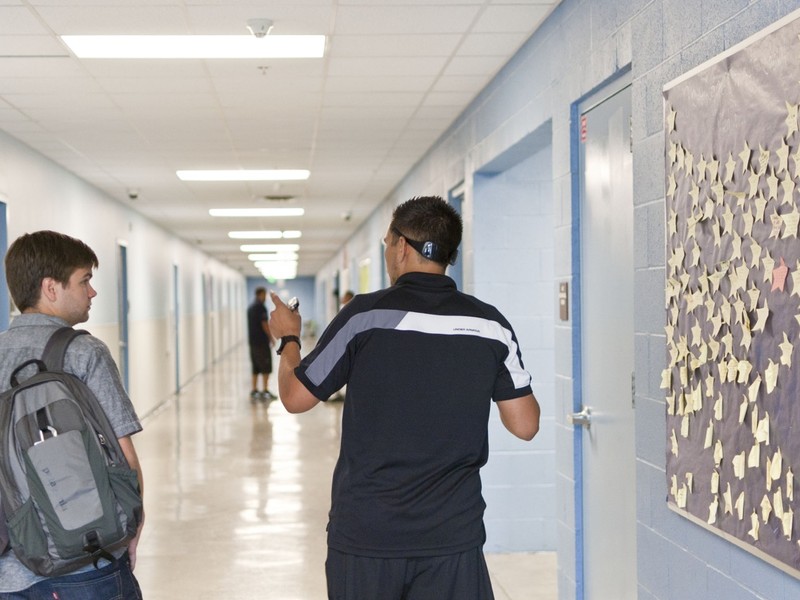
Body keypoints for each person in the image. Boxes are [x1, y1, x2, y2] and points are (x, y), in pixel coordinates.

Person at [269, 195, 540, 600]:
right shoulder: (490, 325)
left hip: (368, 536)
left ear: (400, 247)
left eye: (385, 243)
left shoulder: (364, 317)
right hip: (452, 537)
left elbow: (295, 397)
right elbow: (525, 425)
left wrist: (288, 337)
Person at [0, 230, 144, 599]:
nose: (92, 292)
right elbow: (123, 457)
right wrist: (132, 529)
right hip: (86, 563)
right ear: (51, 288)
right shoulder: (84, 352)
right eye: (85, 280)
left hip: (8, 573)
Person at [247, 286, 275, 401]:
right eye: (264, 295)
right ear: (260, 294)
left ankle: (254, 390)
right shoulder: (261, 307)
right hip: (261, 342)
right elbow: (264, 324)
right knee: (265, 366)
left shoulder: (250, 307)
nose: (265, 297)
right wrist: (271, 338)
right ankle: (265, 390)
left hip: (253, 342)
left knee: (255, 366)